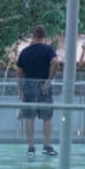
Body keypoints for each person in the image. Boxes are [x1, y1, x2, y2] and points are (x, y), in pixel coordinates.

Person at [16, 25, 61, 156]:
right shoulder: (48, 50)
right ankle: (47, 146)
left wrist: (21, 90)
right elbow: (56, 62)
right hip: (43, 87)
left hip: (29, 87)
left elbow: (19, 72)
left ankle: (31, 148)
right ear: (44, 36)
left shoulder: (25, 52)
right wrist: (49, 80)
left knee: (29, 117)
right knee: (47, 117)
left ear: (33, 36)